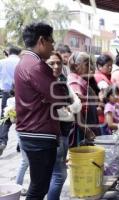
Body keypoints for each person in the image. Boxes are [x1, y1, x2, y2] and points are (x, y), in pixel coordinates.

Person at [14, 22, 65, 199]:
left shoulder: (25, 62)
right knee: (38, 188)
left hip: (32, 131)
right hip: (39, 132)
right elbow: (58, 96)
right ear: (42, 40)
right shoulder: (36, 65)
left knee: (39, 185)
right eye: (51, 41)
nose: (53, 46)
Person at [46, 51, 81, 200]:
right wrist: (69, 111)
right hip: (55, 135)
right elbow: (56, 112)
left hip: (64, 133)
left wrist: (69, 110)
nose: (56, 66)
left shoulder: (62, 81)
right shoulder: (45, 83)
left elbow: (78, 103)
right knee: (59, 175)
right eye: (51, 63)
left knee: (55, 174)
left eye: (59, 63)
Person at [68, 51, 100, 146]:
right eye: (87, 64)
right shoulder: (75, 83)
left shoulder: (84, 82)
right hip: (81, 134)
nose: (91, 68)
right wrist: (87, 131)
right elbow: (75, 109)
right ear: (76, 66)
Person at [0, 45, 21, 156]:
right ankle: (20, 144)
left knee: (5, 117)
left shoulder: (2, 62)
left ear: (9, 52)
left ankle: (2, 141)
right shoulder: (21, 62)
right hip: (21, 93)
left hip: (6, 93)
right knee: (22, 117)